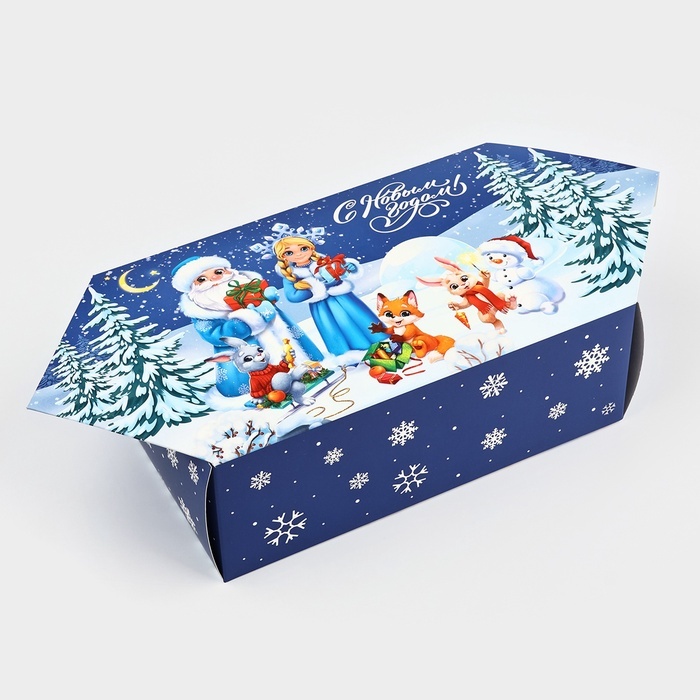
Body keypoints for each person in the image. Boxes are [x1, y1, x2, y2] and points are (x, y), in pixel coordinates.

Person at [171, 255, 323, 397]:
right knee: (261, 380)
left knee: (294, 348)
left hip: (280, 334)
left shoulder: (247, 284)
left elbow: (267, 306)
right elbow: (215, 335)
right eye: (202, 279)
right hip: (248, 352)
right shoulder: (201, 311)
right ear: (193, 288)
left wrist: (268, 298)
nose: (215, 279)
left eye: (218, 272)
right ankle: (268, 390)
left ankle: (305, 367)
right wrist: (248, 320)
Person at [273, 236, 386, 356]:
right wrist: (314, 287)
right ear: (283, 256)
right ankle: (352, 354)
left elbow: (340, 270)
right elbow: (292, 296)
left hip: (344, 297)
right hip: (322, 307)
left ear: (311, 248)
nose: (299, 254)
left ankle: (381, 342)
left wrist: (349, 268)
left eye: (303, 248)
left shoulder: (323, 262)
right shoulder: (291, 275)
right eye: (289, 252)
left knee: (361, 317)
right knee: (334, 328)